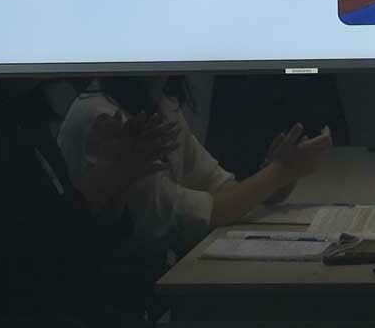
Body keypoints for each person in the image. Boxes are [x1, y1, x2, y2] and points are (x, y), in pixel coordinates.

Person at [55, 75, 330, 259]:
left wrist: (280, 175)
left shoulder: (160, 102)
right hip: (123, 294)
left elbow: (222, 189)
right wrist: (279, 172)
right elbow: (200, 217)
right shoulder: (103, 116)